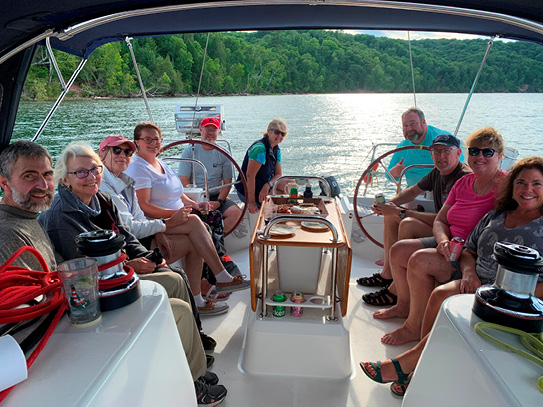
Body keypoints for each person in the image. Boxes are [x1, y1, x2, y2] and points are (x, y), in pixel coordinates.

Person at [38, 142, 227, 405]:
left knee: (175, 277)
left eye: (95, 170)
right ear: (65, 179)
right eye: (81, 173)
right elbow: (83, 270)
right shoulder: (62, 216)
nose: (91, 177)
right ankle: (193, 381)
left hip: (119, 273)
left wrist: (150, 258)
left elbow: (124, 235)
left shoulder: (99, 200)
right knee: (176, 299)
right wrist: (130, 266)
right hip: (97, 292)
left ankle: (194, 355)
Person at [361, 156, 543, 396]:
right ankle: (418, 359)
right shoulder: (497, 215)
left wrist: (503, 295)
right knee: (439, 292)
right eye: (520, 182)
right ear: (512, 187)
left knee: (448, 301)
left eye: (536, 183)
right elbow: (470, 249)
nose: (527, 189)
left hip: (512, 298)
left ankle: (406, 366)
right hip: (476, 279)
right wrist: (469, 272)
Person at [375, 127, 506, 346]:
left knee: (417, 259)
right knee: (398, 251)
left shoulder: (506, 186)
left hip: (469, 253)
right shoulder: (464, 183)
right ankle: (403, 305)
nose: (480, 156)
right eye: (474, 151)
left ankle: (414, 327)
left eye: (488, 152)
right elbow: (440, 220)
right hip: (449, 242)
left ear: (500, 156)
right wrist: (443, 240)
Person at [98, 134, 229, 315]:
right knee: (195, 224)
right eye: (117, 150)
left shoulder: (126, 183)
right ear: (102, 153)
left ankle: (202, 294)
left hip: (140, 238)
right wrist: (165, 223)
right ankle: (219, 278)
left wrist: (159, 231)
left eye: (127, 152)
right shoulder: (104, 187)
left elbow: (138, 218)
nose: (123, 155)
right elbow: (128, 229)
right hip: (131, 250)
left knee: (197, 228)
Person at [124, 122, 250, 298]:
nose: (153, 143)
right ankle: (219, 276)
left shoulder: (160, 163)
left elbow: (179, 192)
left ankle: (203, 290)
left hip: (178, 215)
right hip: (159, 222)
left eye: (156, 139)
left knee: (212, 217)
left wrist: (194, 204)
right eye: (147, 139)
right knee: (197, 222)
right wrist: (176, 215)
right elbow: (144, 206)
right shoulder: (138, 167)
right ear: (137, 142)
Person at [359, 134, 471, 306]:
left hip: (453, 236)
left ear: (458, 153)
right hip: (440, 226)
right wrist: (389, 205)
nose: (441, 156)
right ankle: (388, 274)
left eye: (447, 151)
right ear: (431, 154)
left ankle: (396, 290)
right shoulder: (437, 172)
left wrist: (401, 212)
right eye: (437, 151)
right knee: (392, 216)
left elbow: (448, 221)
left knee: (407, 223)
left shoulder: (463, 178)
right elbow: (412, 192)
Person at [178, 117, 242, 232]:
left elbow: (227, 182)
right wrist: (196, 201)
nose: (211, 133)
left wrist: (218, 202)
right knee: (185, 216)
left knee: (236, 213)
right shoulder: (189, 151)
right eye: (208, 129)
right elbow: (183, 179)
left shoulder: (224, 154)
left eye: (214, 130)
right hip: (194, 197)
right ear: (200, 130)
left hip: (216, 196)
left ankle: (214, 241)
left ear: (219, 132)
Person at [0, 141, 57, 270]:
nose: (44, 186)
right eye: (29, 176)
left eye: (47, 174)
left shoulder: (27, 216)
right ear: (5, 183)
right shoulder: (7, 234)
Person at [387, 108, 455, 187]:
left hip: (442, 193)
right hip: (413, 194)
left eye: (413, 124)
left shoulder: (444, 140)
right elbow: (388, 175)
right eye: (405, 125)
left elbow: (459, 169)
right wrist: (395, 172)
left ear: (423, 122)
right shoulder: (402, 147)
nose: (409, 129)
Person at [235, 118, 289, 214]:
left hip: (262, 185)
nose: (279, 136)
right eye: (277, 132)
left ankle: (278, 209)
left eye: (283, 134)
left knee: (289, 184)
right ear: (268, 131)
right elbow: (250, 176)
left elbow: (278, 174)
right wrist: (251, 202)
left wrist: (268, 185)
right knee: (278, 200)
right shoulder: (260, 148)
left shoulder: (276, 149)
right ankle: (270, 213)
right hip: (247, 190)